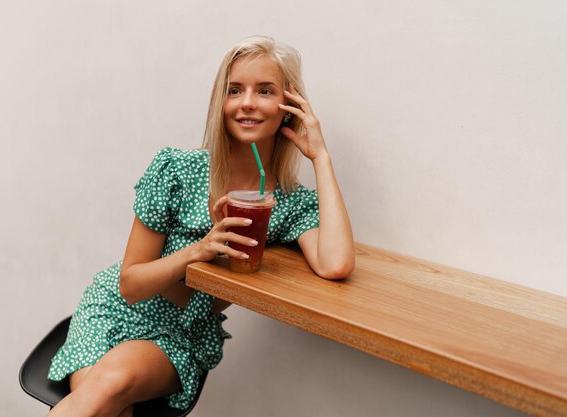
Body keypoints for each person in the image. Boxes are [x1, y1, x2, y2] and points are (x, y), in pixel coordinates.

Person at [46, 35, 355, 417]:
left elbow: (336, 264)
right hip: (115, 309)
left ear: (287, 106)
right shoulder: (177, 170)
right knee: (110, 404)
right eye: (234, 90)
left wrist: (321, 156)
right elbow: (130, 284)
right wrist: (200, 250)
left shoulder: (288, 203)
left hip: (181, 331)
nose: (246, 103)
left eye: (264, 90)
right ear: (220, 103)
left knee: (114, 383)